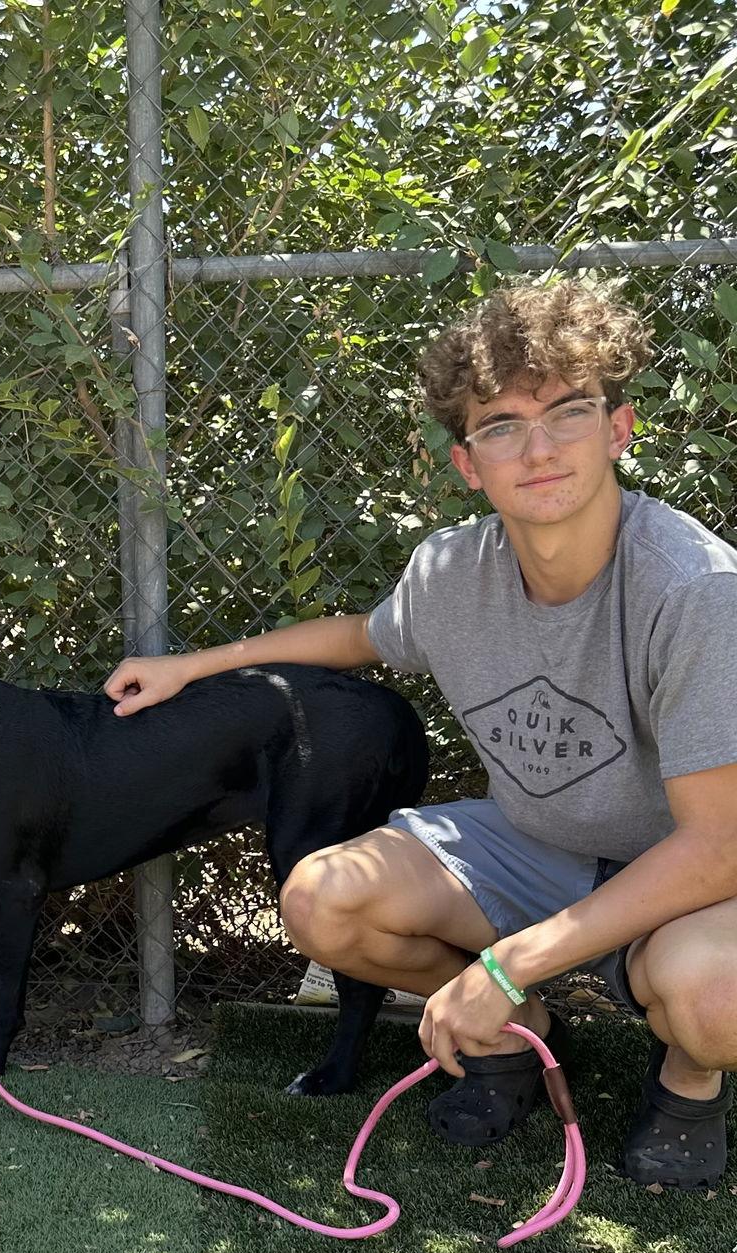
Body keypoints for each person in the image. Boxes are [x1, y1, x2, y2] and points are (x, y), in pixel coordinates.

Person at [104, 279, 737, 1188]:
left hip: (683, 873)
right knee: (322, 899)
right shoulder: (451, 571)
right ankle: (517, 1042)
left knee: (716, 1000)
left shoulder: (696, 589)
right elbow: (363, 637)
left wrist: (513, 963)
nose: (541, 447)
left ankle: (689, 1081)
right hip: (536, 843)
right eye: (503, 426)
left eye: (568, 411)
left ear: (619, 427)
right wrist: (192, 665)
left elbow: (719, 846)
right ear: (468, 463)